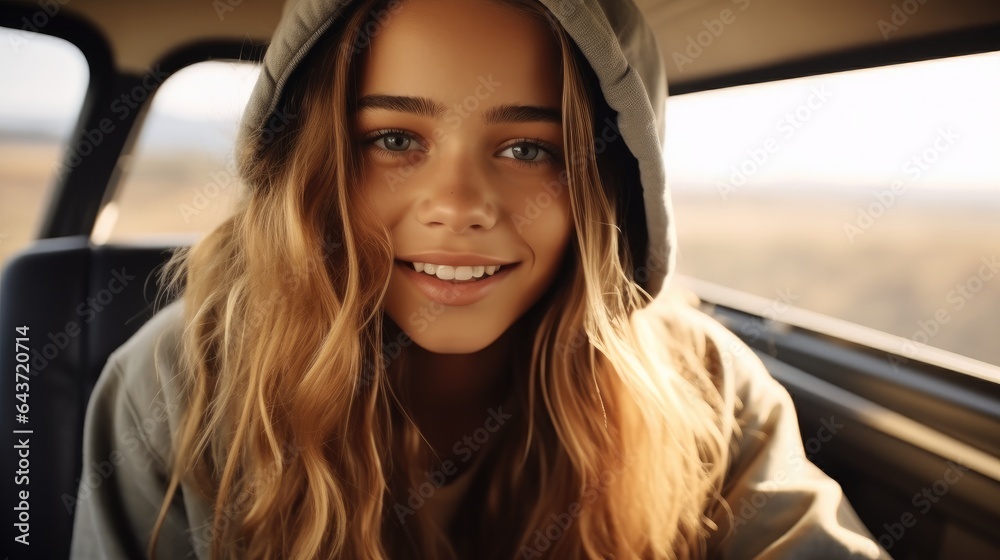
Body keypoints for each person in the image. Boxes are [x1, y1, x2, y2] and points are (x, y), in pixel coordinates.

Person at [69, 0, 891, 558]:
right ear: (312, 168)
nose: (459, 206)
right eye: (393, 140)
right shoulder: (183, 384)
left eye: (528, 149)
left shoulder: (704, 386)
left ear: (607, 189)